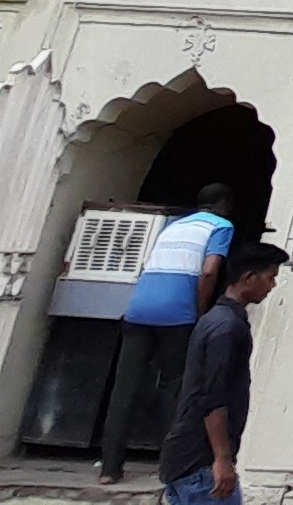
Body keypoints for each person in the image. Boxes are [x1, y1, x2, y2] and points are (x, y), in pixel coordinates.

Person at [102, 184, 236, 484]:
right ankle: (169, 466)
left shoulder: (173, 225)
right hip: (177, 313)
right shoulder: (222, 226)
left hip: (138, 309)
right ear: (224, 204)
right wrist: (200, 312)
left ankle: (109, 469)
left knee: (124, 390)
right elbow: (209, 271)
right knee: (176, 389)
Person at [157, 242, 288, 505]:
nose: (273, 285)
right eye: (270, 277)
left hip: (188, 456)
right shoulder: (226, 328)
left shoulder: (217, 319)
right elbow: (213, 397)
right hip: (200, 461)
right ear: (249, 279)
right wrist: (221, 459)